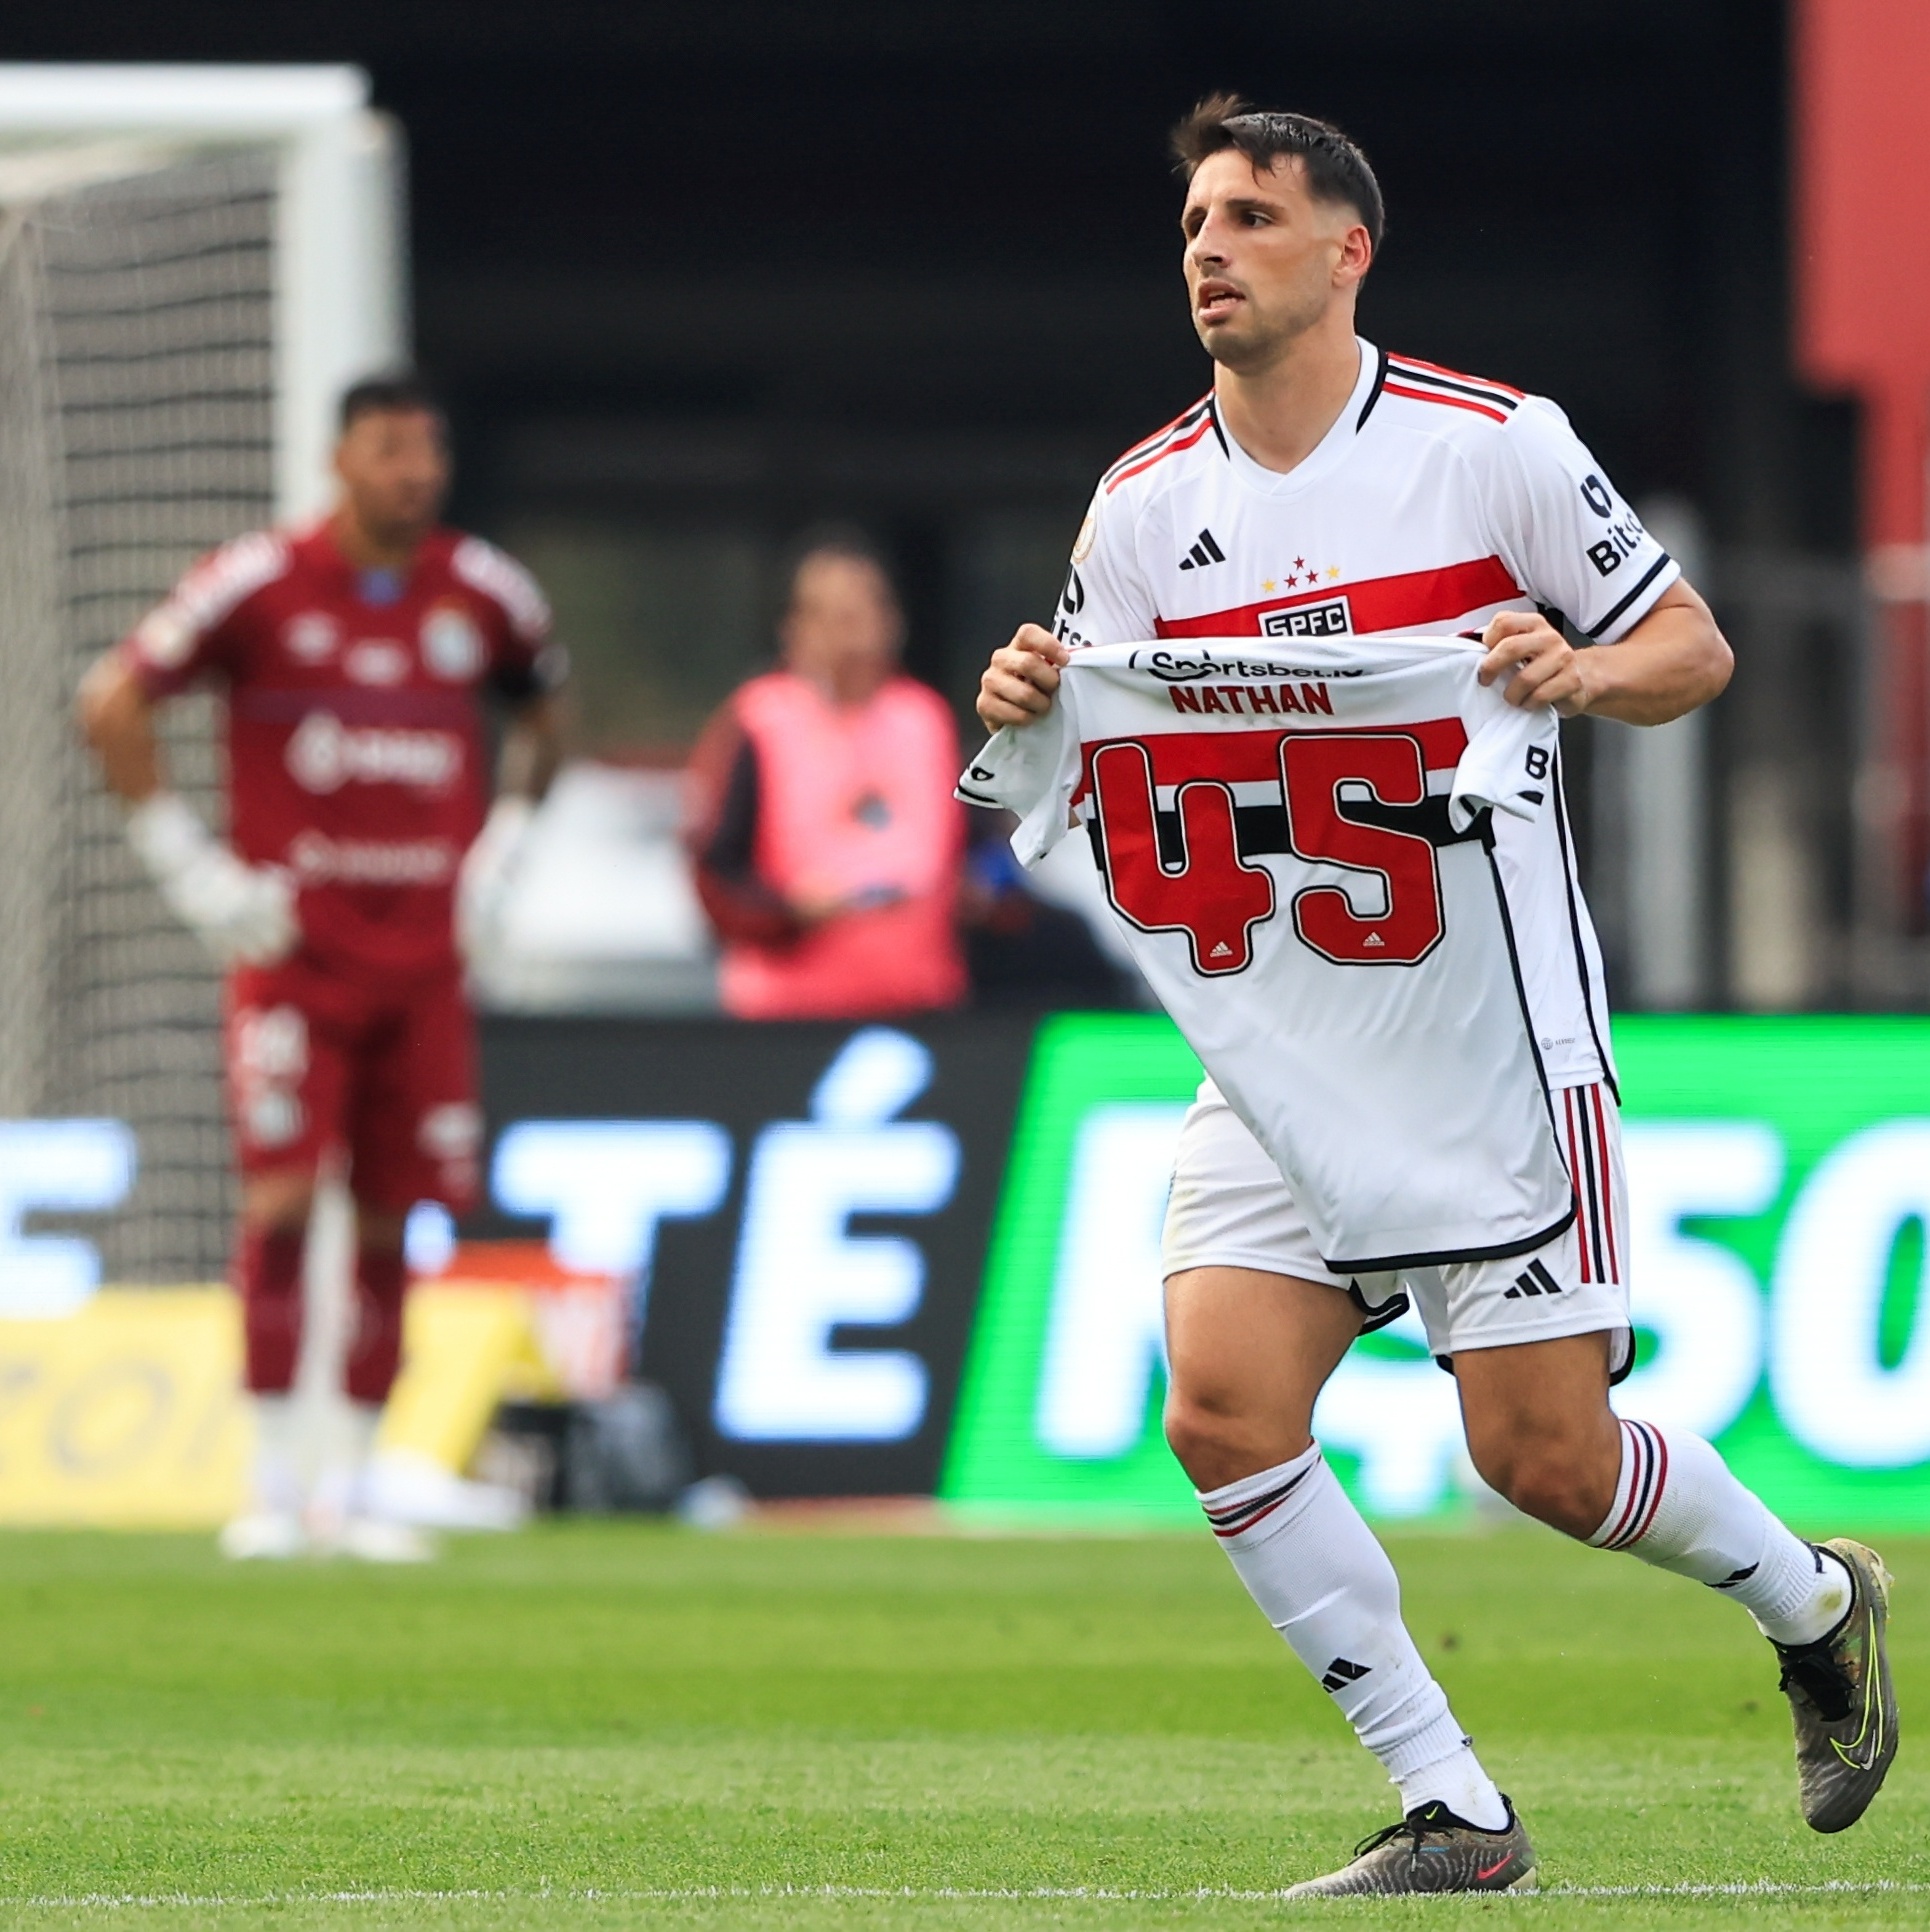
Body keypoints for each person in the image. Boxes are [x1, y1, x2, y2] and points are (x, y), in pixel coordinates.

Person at [973, 97, 1895, 1895]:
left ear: (1347, 251)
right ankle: (1453, 1808)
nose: (1209, 250)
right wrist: (1025, 692)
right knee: (1222, 1409)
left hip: (1489, 1044)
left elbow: (1691, 647)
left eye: (1249, 216)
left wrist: (1581, 664)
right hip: (1285, 1045)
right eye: (1192, 225)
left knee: (1539, 1457)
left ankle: (1812, 1600)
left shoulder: (1496, 452)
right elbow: (1085, 723)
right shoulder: (1148, 504)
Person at [78, 373, 564, 1563]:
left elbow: (547, 712)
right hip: (294, 958)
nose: (415, 472)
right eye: (391, 449)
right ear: (339, 460)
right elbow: (112, 701)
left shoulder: (484, 591)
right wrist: (188, 863)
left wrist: (503, 843)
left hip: (424, 968)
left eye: (428, 450)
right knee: (286, 1203)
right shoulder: (257, 582)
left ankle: (352, 1490)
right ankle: (266, 1483)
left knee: (394, 1221)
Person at [685, 528, 967, 1019]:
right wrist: (788, 912)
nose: (848, 633)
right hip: (787, 1016)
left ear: (891, 620)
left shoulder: (927, 720)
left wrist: (983, 897)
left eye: (861, 613)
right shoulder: (756, 720)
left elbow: (988, 848)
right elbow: (714, 873)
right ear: (794, 627)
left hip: (921, 1006)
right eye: (830, 616)